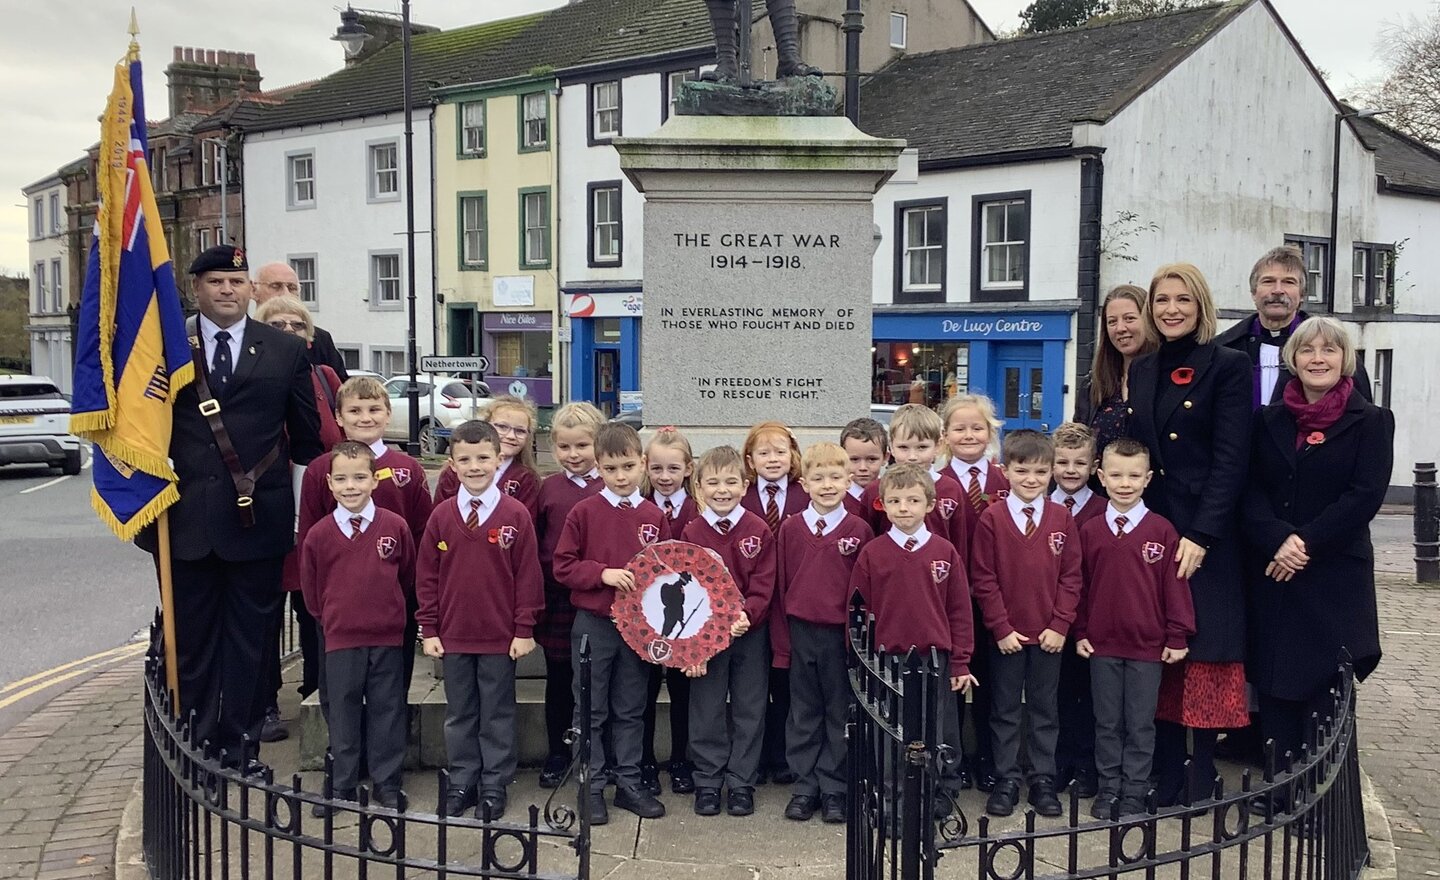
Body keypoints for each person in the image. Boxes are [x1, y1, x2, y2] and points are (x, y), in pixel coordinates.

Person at [135, 245, 323, 770]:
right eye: (215, 281)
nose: (227, 290)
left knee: (249, 644)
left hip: (256, 520)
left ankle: (238, 747)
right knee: (191, 642)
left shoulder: (284, 351)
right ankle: (193, 746)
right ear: (196, 288)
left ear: (251, 290)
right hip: (185, 518)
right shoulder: (165, 348)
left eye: (236, 282)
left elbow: (307, 441)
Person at [1126, 262, 1252, 805]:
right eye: (1161, 301)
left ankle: (1201, 772)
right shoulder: (1145, 366)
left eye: (1182, 300)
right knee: (1162, 651)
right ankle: (1166, 769)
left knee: (1202, 654)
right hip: (1156, 530)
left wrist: (1202, 533)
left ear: (1200, 306)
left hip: (1206, 536)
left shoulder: (1228, 365)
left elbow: (1231, 459)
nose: (1171, 309)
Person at [1242, 317, 1391, 774]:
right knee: (1276, 679)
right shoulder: (1269, 420)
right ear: (1293, 359)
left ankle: (1315, 788)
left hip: (1332, 574)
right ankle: (1278, 785)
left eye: (1329, 350)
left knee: (1324, 684)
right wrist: (1276, 538)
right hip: (1276, 570)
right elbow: (1250, 489)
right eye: (1308, 350)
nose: (1318, 359)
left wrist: (1302, 542)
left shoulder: (1370, 420)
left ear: (1345, 360)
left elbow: (1365, 495)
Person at [296, 376, 434, 744]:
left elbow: (422, 534)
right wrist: (320, 604)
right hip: (338, 606)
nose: (365, 417)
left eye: (374, 409)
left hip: (392, 603)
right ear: (338, 417)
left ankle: (386, 756)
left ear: (388, 414)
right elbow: (308, 538)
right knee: (338, 688)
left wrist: (413, 592)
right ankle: (345, 756)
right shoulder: (319, 470)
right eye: (354, 410)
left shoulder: (409, 469)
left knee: (390, 685)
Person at [417, 420, 543, 821]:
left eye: (483, 458)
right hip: (453, 636)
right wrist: (429, 628)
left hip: (499, 637)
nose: (475, 466)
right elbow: (427, 576)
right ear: (451, 463)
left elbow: (528, 576)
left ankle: (494, 783)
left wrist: (524, 629)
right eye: (465, 459)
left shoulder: (515, 515)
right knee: (460, 713)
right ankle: (462, 780)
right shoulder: (440, 517)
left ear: (498, 458)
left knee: (497, 713)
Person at [553, 422, 670, 824]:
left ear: (642, 464)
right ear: (598, 469)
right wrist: (601, 574)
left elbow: (668, 571)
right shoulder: (583, 511)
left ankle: (629, 783)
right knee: (590, 708)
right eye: (610, 469)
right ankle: (591, 785)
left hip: (637, 630)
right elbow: (563, 565)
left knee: (631, 708)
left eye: (627, 467)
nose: (620, 477)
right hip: (595, 625)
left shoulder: (655, 515)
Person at [1075, 438, 1195, 818]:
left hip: (1148, 648)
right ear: (1101, 477)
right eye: (1116, 475)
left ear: (1148, 479)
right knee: (1107, 722)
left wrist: (1178, 635)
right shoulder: (1091, 531)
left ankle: (1134, 790)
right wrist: (1080, 631)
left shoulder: (1162, 531)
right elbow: (1079, 586)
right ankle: (1108, 788)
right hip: (1102, 646)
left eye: (1133, 476)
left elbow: (1175, 587)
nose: (1124, 483)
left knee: (1141, 724)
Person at [849, 463, 976, 812]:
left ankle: (935, 794)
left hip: (935, 659)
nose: (904, 508)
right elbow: (858, 611)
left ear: (930, 505)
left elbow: (959, 611)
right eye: (895, 501)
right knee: (891, 733)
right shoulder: (872, 554)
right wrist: (861, 661)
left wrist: (961, 661)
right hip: (887, 660)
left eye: (913, 500)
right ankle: (893, 798)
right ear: (882, 505)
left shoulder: (945, 553)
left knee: (936, 731)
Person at [970, 430, 1083, 818]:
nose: (1031, 479)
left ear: (1051, 472)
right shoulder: (992, 518)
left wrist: (1061, 625)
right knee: (1004, 708)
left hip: (1049, 636)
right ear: (1005, 471)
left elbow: (1072, 576)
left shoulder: (1062, 518)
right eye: (1022, 471)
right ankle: (1006, 778)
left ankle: (1042, 779)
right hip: (1008, 637)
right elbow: (983, 578)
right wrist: (1000, 627)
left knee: (1043, 708)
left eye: (1040, 471)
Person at [299, 441, 416, 813]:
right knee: (343, 710)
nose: (351, 486)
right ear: (330, 484)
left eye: (359, 477)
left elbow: (407, 576)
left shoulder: (394, 527)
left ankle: (387, 782)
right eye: (342, 479)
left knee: (387, 709)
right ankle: (342, 784)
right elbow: (311, 591)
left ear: (374, 480)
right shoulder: (318, 535)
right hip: (340, 638)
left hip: (386, 636)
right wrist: (334, 620)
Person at [254, 294, 343, 743]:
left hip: (318, 512)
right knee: (267, 616)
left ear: (309, 337)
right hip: (267, 513)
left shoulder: (325, 378)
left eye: (297, 325)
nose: (288, 331)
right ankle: (265, 702)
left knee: (314, 612)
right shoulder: (251, 380)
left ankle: (315, 690)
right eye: (277, 324)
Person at [772, 441, 871, 824]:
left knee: (838, 711)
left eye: (835, 477)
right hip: (801, 632)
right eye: (818, 477)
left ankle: (834, 787)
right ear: (804, 482)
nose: (827, 485)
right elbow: (781, 589)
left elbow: (863, 594)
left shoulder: (858, 529)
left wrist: (856, 642)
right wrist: (783, 645)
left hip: (840, 637)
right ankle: (804, 786)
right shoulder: (791, 529)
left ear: (849, 480)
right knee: (803, 713)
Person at [680, 445, 777, 817]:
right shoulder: (692, 530)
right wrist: (692, 643)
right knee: (706, 708)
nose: (722, 490)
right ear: (699, 486)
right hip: (705, 638)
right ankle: (707, 780)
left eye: (731, 482)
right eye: (713, 482)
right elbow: (684, 585)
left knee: (749, 708)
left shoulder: (757, 529)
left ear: (745, 485)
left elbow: (764, 584)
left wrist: (746, 616)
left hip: (748, 635)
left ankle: (741, 782)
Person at [533, 402, 606, 789]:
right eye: (565, 447)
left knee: (599, 680)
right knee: (560, 678)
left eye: (582, 446)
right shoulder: (548, 489)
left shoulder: (611, 486)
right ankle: (558, 753)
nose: (574, 455)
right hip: (559, 597)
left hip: (603, 598)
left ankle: (600, 754)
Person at [939, 393, 1008, 791]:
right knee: (953, 681)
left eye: (977, 427)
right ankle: (956, 758)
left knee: (992, 683)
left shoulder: (1005, 479)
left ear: (991, 432)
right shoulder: (936, 484)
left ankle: (988, 759)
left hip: (997, 599)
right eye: (960, 428)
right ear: (945, 435)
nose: (969, 435)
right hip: (951, 598)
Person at [1215, 247, 1371, 410]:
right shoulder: (1225, 349)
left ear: (1302, 294)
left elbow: (1361, 415)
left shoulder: (1335, 351)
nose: (1277, 290)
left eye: (1288, 282)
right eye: (1268, 281)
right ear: (1254, 293)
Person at [741, 421, 807, 784]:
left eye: (780, 451)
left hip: (791, 598)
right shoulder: (741, 495)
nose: (772, 459)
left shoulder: (805, 494)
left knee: (785, 681)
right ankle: (756, 756)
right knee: (754, 683)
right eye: (764, 453)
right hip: (751, 599)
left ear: (793, 456)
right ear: (750, 460)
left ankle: (781, 756)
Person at [1049, 421, 1106, 799]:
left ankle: (1087, 765)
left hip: (1091, 620)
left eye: (1080, 463)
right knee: (1051, 695)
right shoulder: (1039, 506)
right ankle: (1055, 764)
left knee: (1087, 695)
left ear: (1094, 466)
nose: (1071, 470)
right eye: (1063, 462)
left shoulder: (1104, 509)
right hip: (1049, 619)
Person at [643, 427, 700, 795]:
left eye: (673, 469)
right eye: (657, 469)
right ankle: (645, 762)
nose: (665, 477)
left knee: (683, 693)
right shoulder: (641, 508)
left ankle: (682, 759)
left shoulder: (700, 510)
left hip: (685, 616)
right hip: (646, 615)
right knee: (644, 692)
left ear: (689, 469)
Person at [857, 405, 969, 557]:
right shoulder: (874, 491)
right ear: (891, 447)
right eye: (903, 447)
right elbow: (866, 542)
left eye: (922, 447)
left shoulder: (951, 489)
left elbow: (959, 545)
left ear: (938, 446)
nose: (912, 457)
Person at [1075, 285, 1156, 467]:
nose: (1120, 328)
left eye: (1129, 319)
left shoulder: (1167, 381)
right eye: (1112, 322)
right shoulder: (1092, 386)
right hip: (1101, 493)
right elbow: (1076, 447)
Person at [434, 396, 541, 519]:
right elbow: (438, 517)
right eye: (502, 427)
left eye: (520, 431)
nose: (511, 436)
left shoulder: (526, 479)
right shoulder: (453, 473)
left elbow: (526, 524)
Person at [254, 262, 348, 381]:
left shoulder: (320, 340)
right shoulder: (242, 337)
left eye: (292, 288)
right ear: (253, 291)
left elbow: (342, 392)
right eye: (276, 286)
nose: (285, 293)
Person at [839, 417, 888, 518]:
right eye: (854, 459)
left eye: (871, 459)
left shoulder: (892, 496)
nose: (863, 467)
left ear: (885, 458)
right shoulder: (836, 498)